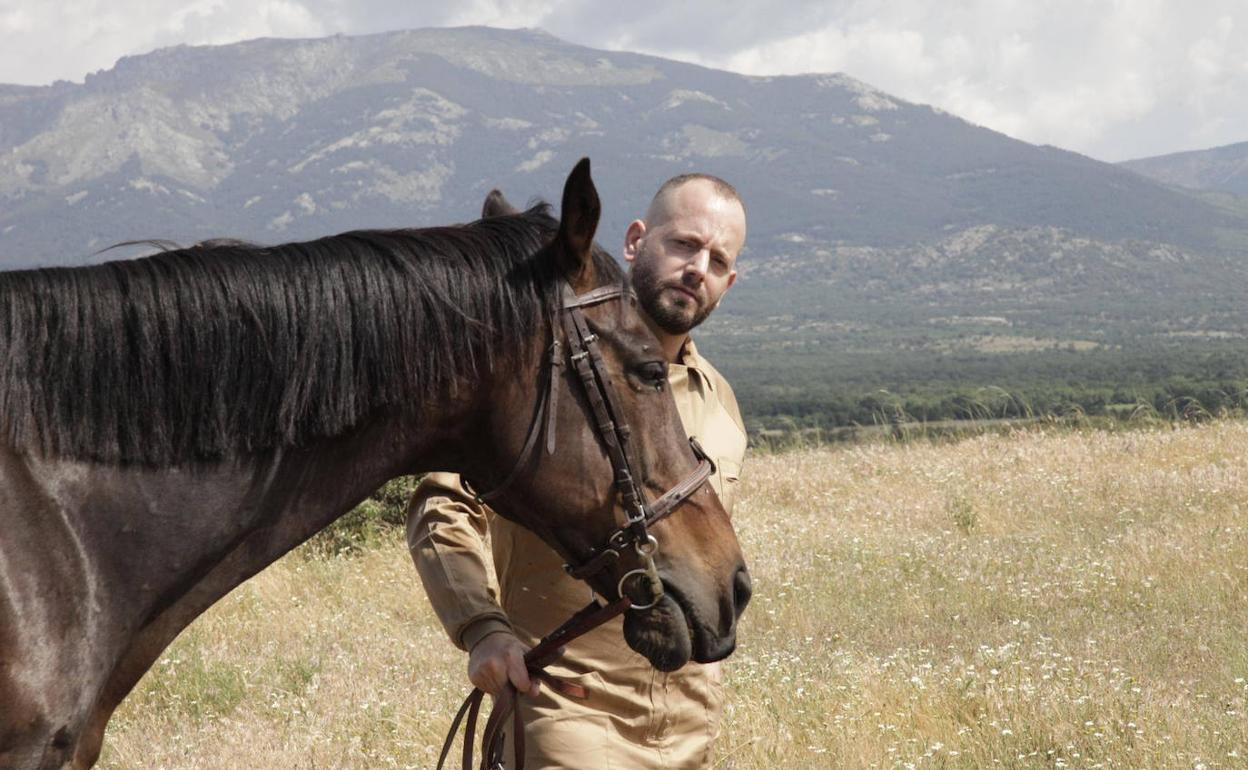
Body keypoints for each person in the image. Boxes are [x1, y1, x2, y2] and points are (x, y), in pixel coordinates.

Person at [407, 173, 748, 769]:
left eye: (718, 260)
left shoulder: (717, 395)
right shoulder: (543, 376)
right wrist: (481, 628)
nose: (699, 267)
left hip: (691, 720)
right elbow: (443, 505)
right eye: (685, 244)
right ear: (636, 241)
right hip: (567, 711)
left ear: (729, 281)